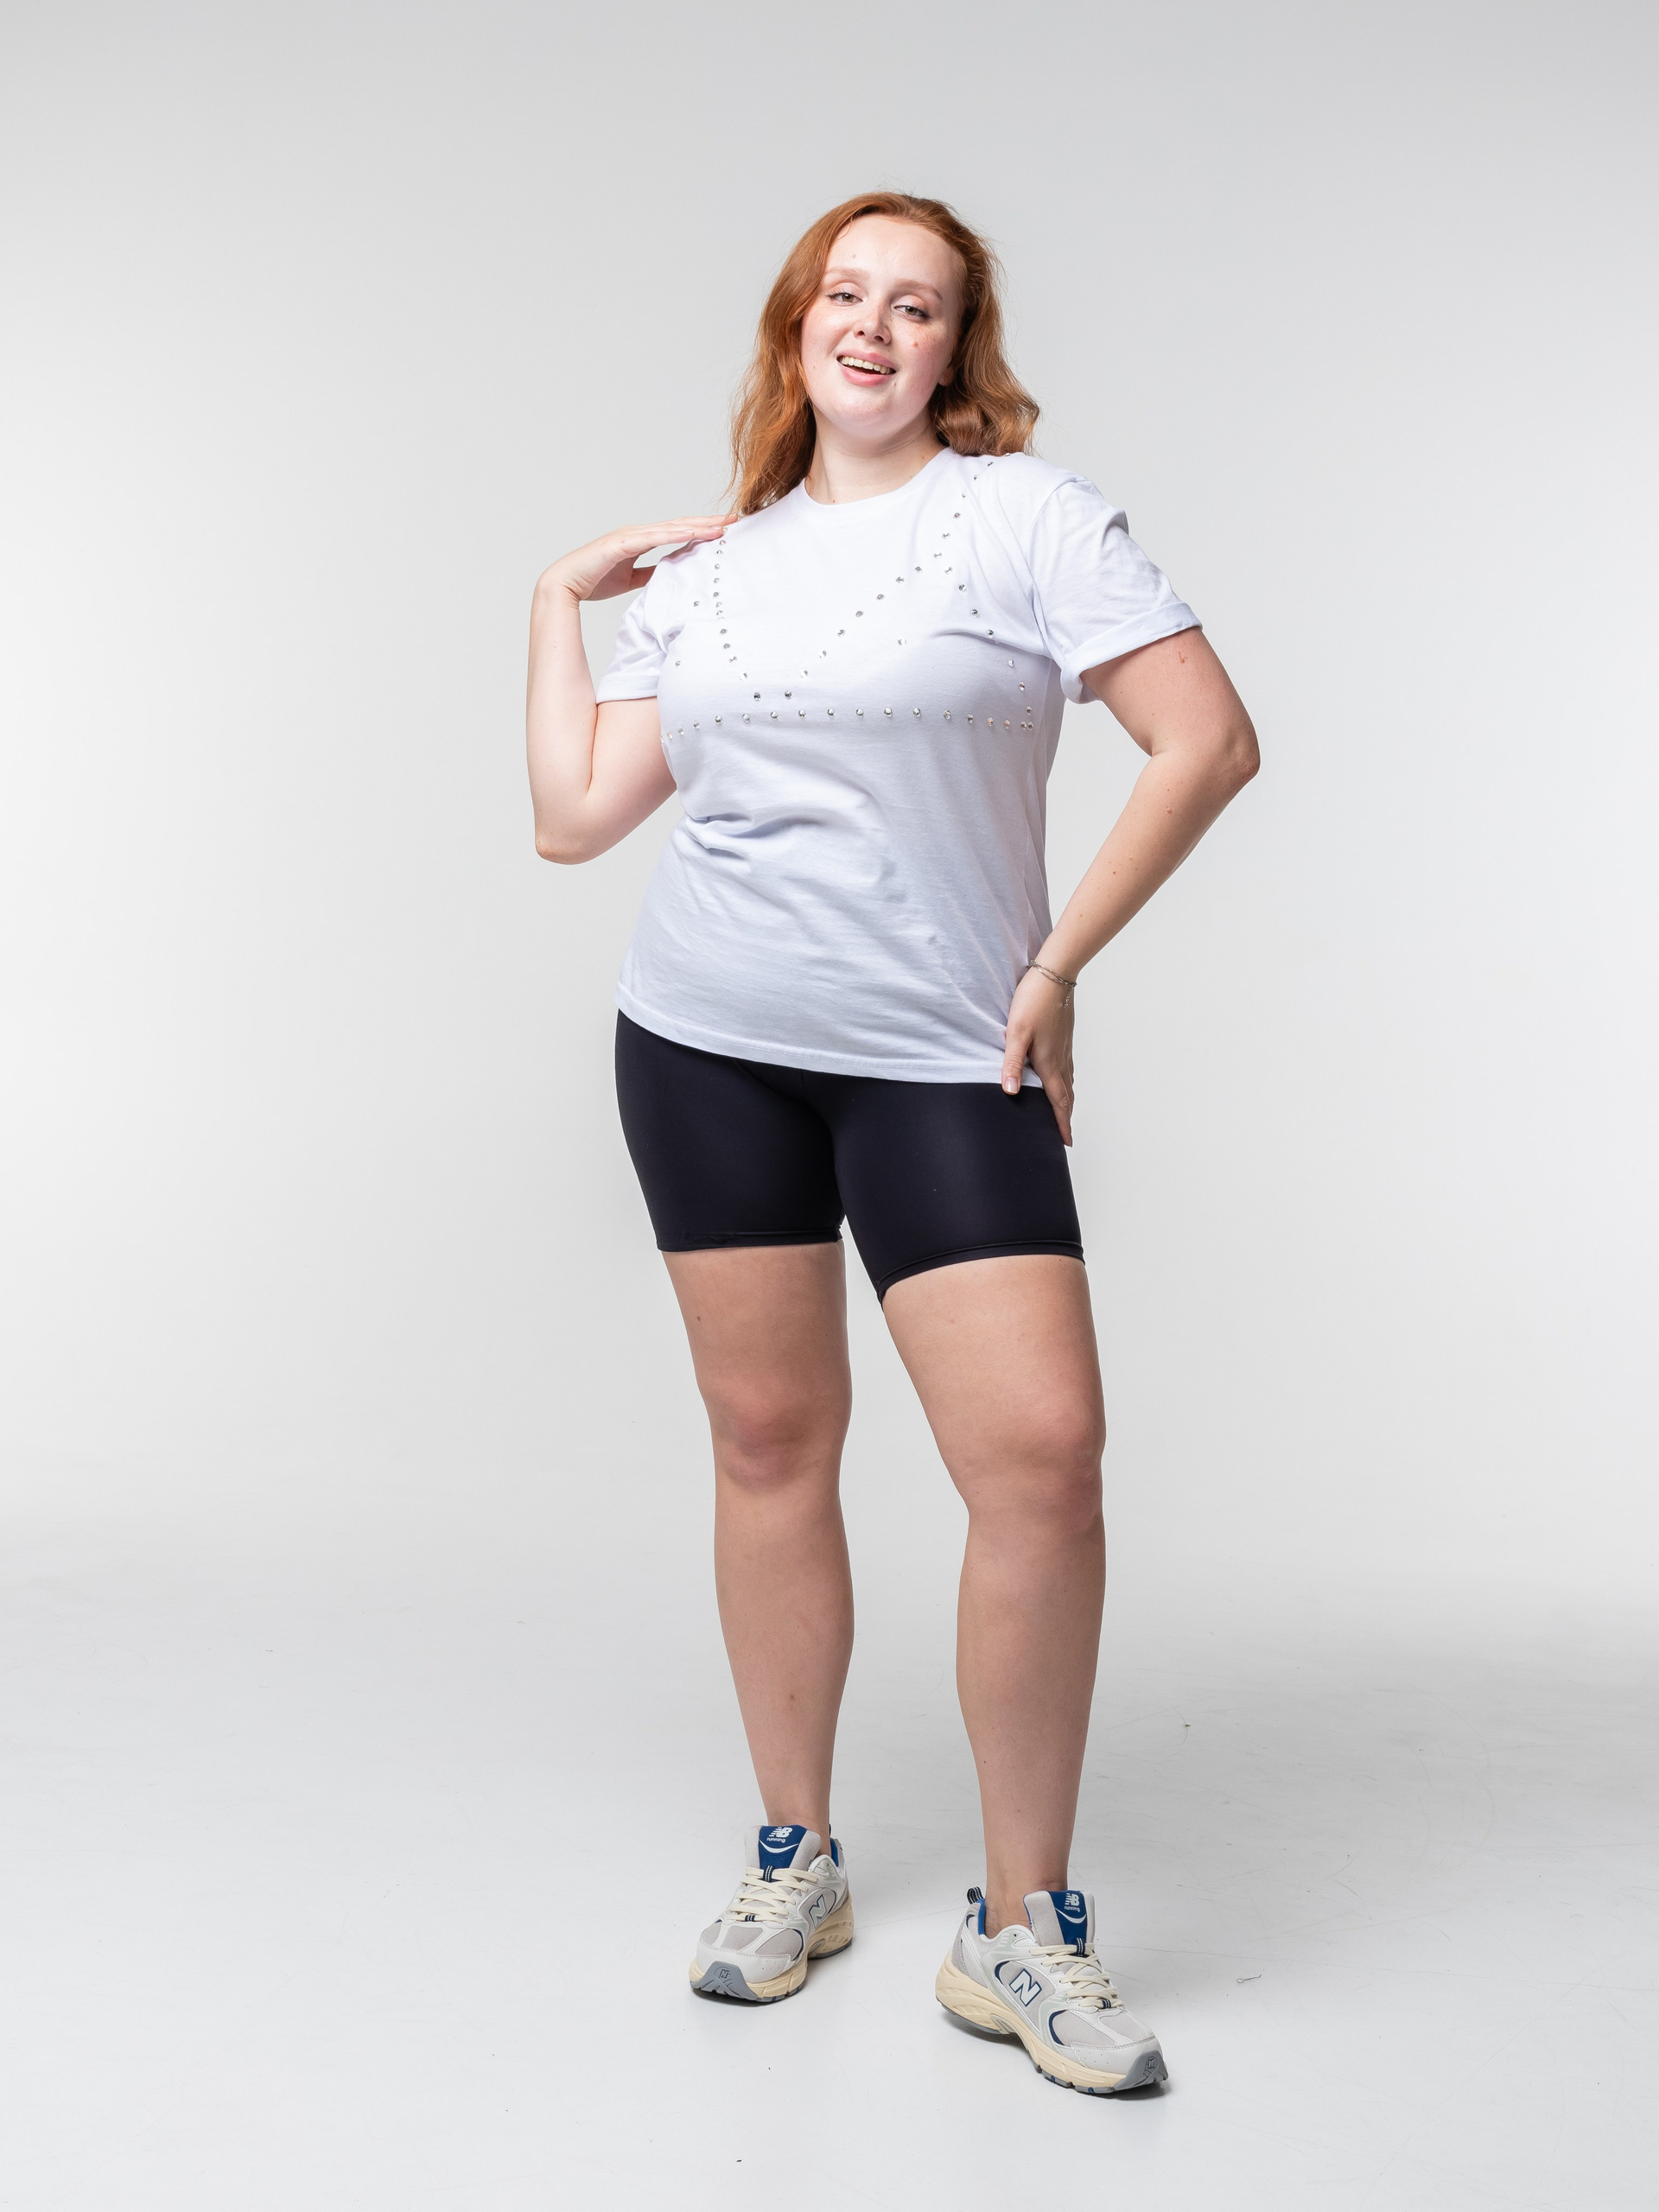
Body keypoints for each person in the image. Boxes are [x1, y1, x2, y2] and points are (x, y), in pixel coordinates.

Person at [524, 191, 1257, 2095]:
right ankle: (799, 1855)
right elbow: (575, 815)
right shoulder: (709, 572)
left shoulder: (1029, 520)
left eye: (915, 304)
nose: (873, 326)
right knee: (771, 1442)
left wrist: (1058, 962)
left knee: (1043, 1460)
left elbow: (1207, 740)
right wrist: (554, 606)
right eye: (843, 294)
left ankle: (1022, 1923)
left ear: (955, 347)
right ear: (796, 329)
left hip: (942, 1055)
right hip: (707, 1046)